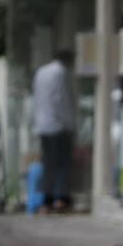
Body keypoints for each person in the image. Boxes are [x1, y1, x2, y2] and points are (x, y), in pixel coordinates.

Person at [32, 49, 75, 212]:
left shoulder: (41, 72)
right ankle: (61, 198)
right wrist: (70, 124)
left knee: (48, 163)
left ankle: (47, 198)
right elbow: (62, 101)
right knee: (62, 163)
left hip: (43, 125)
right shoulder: (61, 73)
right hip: (59, 125)